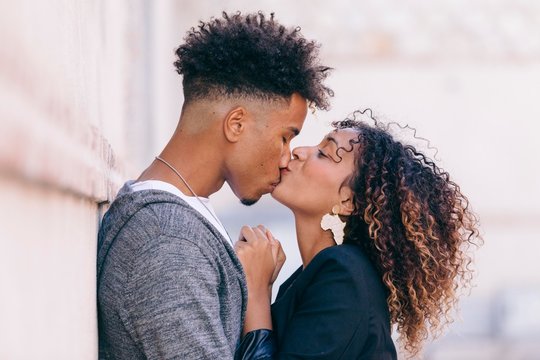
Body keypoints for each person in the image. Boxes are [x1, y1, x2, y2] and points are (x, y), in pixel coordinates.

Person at [96, 11, 332, 360]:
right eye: (284, 137)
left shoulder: (175, 219)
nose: (286, 159)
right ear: (236, 124)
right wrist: (255, 298)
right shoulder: (167, 242)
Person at [234, 111, 481, 359]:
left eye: (324, 154)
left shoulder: (343, 276)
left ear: (348, 201)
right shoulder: (313, 275)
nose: (299, 151)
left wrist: (256, 291)